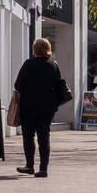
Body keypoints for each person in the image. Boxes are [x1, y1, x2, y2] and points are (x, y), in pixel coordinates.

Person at [13, 38, 63, 177]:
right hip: (47, 108)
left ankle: (29, 166)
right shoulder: (53, 65)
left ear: (35, 49)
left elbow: (18, 85)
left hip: (28, 107)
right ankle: (43, 169)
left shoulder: (28, 64)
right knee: (44, 138)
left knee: (28, 136)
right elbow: (59, 85)